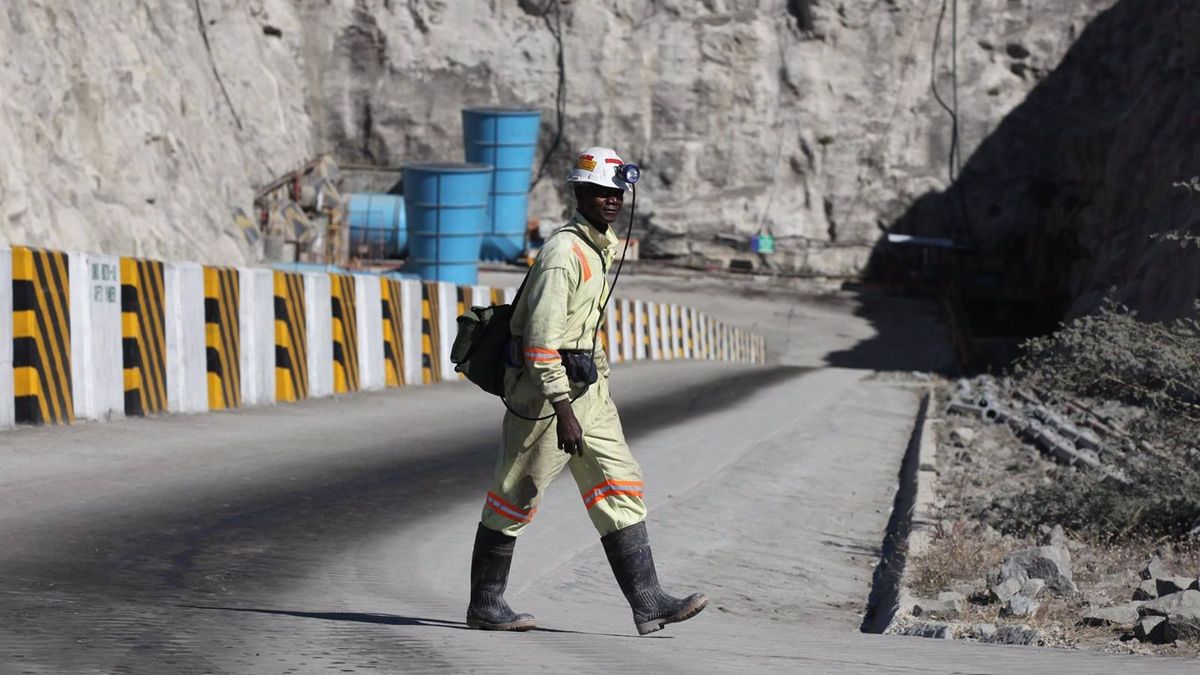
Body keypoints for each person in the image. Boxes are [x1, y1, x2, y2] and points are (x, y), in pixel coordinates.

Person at [466, 146, 708, 636]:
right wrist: (563, 408)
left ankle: (649, 601)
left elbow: (585, 330)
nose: (611, 200)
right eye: (600, 192)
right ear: (580, 193)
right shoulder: (563, 254)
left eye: (616, 192)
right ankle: (485, 605)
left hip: (586, 393)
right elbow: (539, 343)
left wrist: (594, 389)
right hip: (543, 399)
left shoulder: (602, 247)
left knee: (620, 482)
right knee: (516, 495)